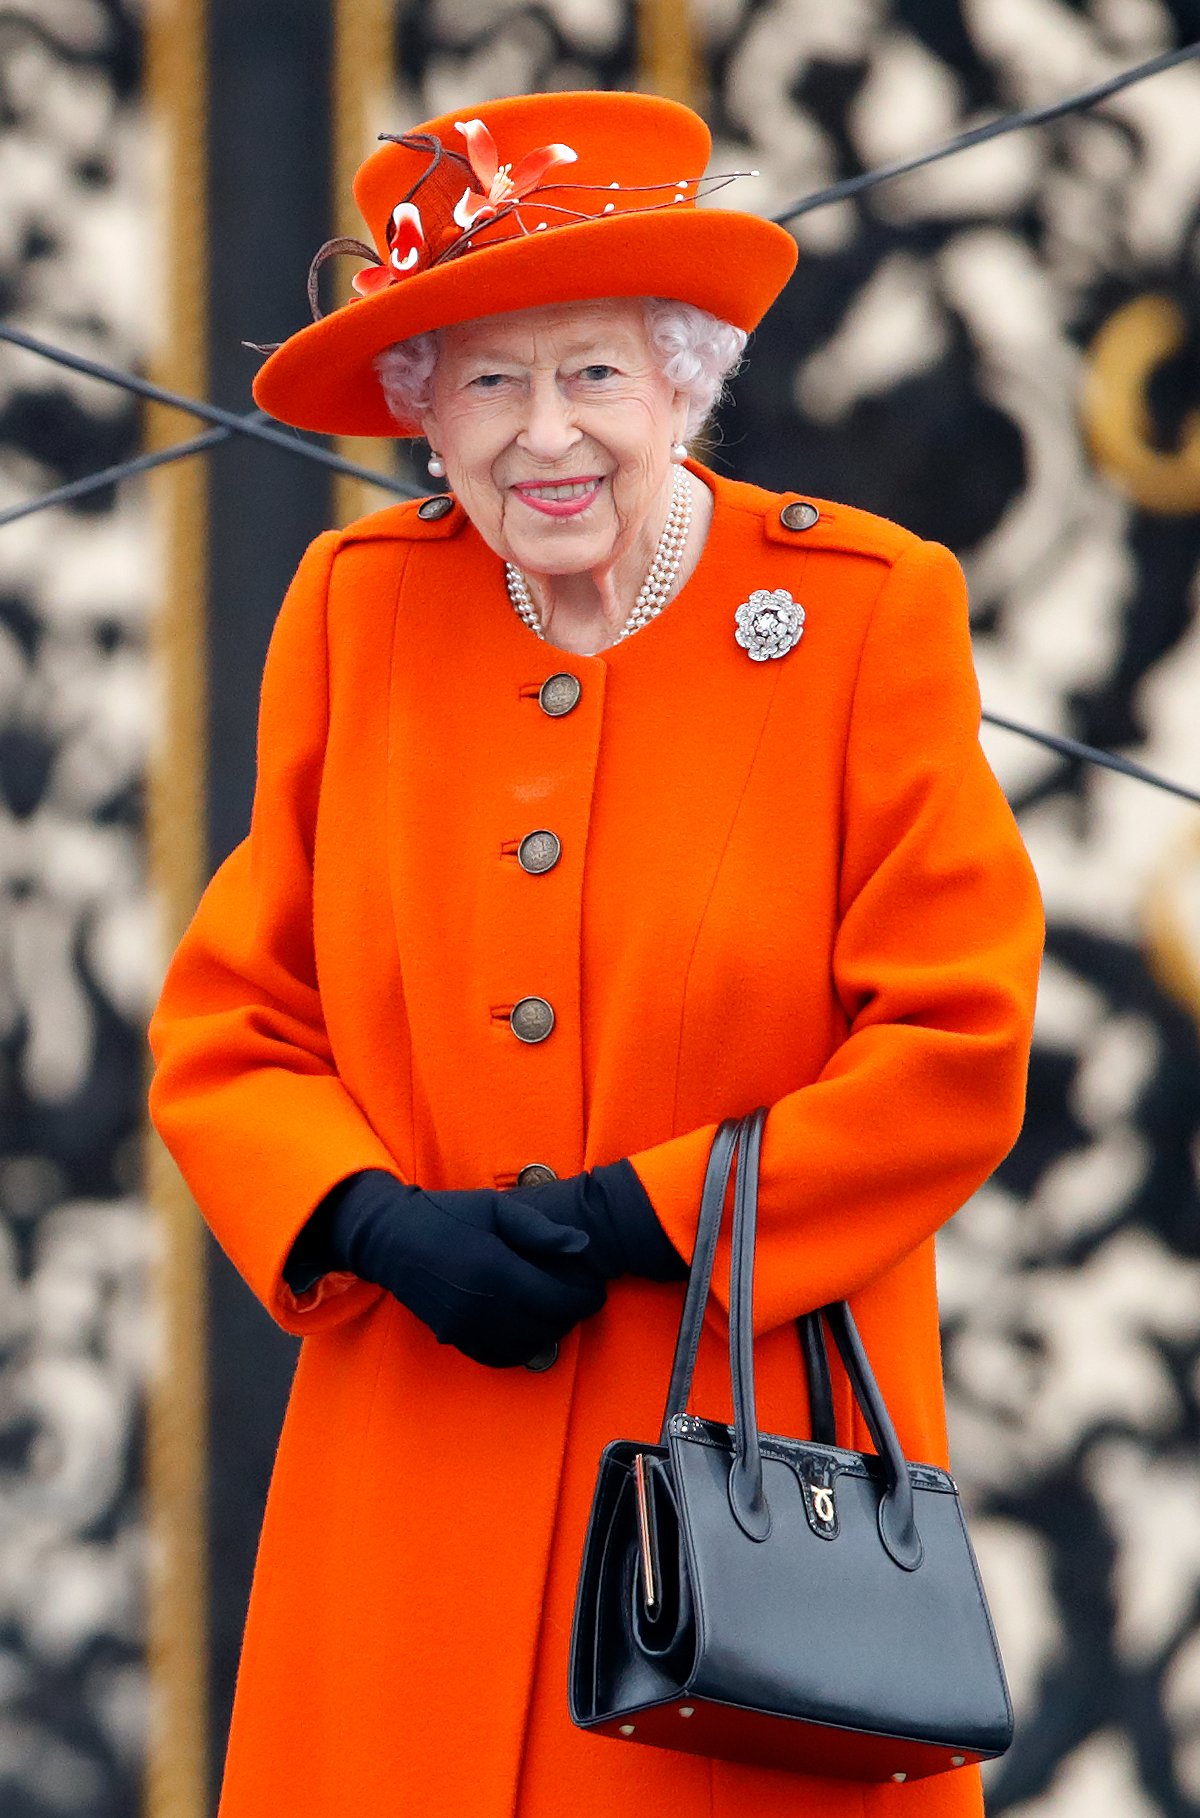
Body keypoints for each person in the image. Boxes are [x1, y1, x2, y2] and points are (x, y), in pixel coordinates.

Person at [147, 89, 1044, 1818]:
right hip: (408, 1460)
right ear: (422, 412)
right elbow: (235, 1018)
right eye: (487, 379)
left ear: (683, 383)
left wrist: (648, 1210)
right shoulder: (355, 610)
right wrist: (364, 1217)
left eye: (594, 375)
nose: (543, 434)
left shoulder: (862, 615)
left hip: (738, 1495)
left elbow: (954, 1038)